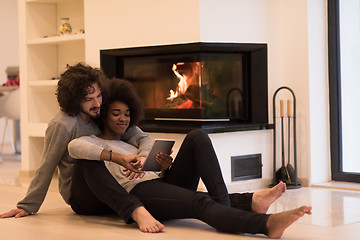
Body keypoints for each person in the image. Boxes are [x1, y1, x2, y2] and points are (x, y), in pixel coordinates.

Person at [68, 78, 312, 238]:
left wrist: (162, 168)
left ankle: (233, 207)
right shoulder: (92, 143)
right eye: (116, 114)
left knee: (197, 136)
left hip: (158, 184)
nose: (123, 119)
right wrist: (119, 158)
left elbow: (147, 149)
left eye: (127, 114)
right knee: (199, 202)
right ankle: (264, 225)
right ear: (103, 116)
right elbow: (74, 147)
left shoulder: (131, 139)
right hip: (140, 193)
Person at [0, 63, 164, 232]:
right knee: (86, 159)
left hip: (110, 187)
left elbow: (142, 137)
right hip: (81, 194)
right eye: (88, 99)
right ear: (74, 99)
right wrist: (27, 205)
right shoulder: (62, 125)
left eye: (99, 96)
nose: (97, 103)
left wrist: (144, 157)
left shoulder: (100, 114)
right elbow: (46, 166)